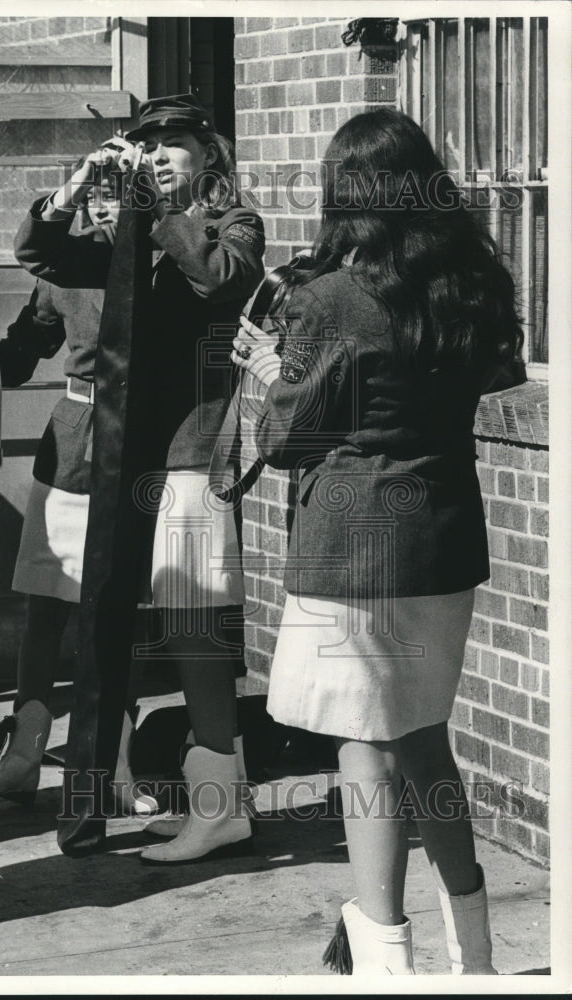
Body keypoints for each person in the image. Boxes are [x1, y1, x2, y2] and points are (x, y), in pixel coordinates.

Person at [232, 108, 520, 973]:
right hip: (441, 539)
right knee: (423, 736)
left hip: (351, 543)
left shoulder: (325, 299)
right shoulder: (474, 286)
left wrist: (266, 370)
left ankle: (384, 958)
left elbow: (286, 440)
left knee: (363, 744)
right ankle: (473, 954)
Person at [15, 94, 266, 864]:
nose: (158, 154)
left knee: (192, 622)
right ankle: (121, 781)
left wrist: (160, 211)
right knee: (97, 611)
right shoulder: (125, 226)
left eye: (175, 144)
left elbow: (217, 278)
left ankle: (222, 803)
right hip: (121, 451)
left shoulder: (232, 223)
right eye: (146, 144)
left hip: (191, 443)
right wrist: (72, 189)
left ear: (208, 155)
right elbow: (43, 258)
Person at [0, 161, 158, 814]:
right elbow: (23, 346)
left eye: (123, 195)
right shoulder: (67, 268)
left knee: (120, 608)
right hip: (73, 442)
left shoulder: (164, 268)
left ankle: (115, 763)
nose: (110, 208)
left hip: (140, 444)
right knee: (46, 598)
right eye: (101, 196)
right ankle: (27, 749)